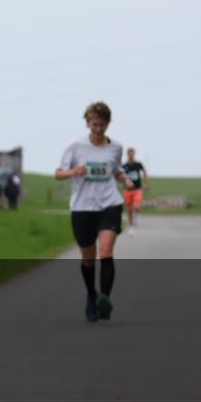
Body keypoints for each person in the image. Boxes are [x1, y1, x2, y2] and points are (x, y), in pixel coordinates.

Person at [55, 102, 128, 323]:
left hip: (109, 203)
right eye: (95, 124)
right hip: (82, 207)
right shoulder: (75, 146)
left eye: (103, 125)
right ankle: (91, 294)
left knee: (105, 251)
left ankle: (104, 299)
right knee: (88, 260)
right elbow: (58, 173)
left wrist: (125, 179)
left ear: (108, 124)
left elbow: (116, 169)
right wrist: (74, 172)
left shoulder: (116, 147)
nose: (98, 129)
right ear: (88, 122)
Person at [122, 147, 148, 234]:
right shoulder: (124, 166)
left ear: (134, 154)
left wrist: (145, 183)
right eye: (129, 153)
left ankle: (138, 214)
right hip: (127, 190)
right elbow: (121, 176)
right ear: (127, 154)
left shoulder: (138, 164)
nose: (131, 155)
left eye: (132, 153)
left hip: (137, 189)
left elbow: (144, 172)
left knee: (136, 206)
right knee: (129, 209)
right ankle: (131, 226)